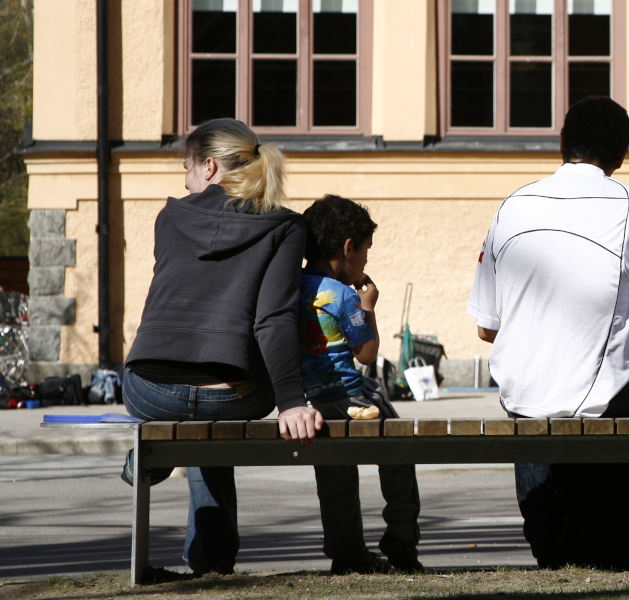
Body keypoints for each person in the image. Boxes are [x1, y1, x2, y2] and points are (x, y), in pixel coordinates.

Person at [467, 96, 629, 570]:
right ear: (622, 155)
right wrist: (626, 350)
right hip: (607, 392)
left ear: (562, 143)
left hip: (521, 394)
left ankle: (557, 536)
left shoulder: (511, 207)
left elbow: (486, 328)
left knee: (550, 408)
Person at [121, 117, 322, 576]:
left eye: (187, 168)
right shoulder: (284, 226)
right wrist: (292, 402)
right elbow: (273, 319)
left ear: (209, 167)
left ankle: (152, 459)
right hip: (232, 396)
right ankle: (211, 560)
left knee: (194, 426)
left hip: (148, 389)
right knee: (214, 414)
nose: (185, 181)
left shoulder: (170, 216)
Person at [297, 195, 422, 574]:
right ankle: (401, 537)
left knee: (334, 474)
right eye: (366, 251)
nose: (366, 262)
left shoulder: (290, 287)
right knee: (399, 449)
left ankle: (346, 552)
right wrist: (368, 305)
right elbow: (366, 354)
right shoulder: (343, 295)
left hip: (309, 403)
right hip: (351, 398)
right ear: (348, 247)